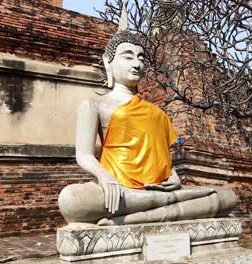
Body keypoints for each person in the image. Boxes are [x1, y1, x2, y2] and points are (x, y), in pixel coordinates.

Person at [58, 4, 236, 226]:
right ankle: (157, 209)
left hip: (157, 190)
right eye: (128, 56)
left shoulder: (157, 113)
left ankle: (134, 218)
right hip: (119, 189)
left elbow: (162, 159)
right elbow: (84, 155)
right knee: (72, 201)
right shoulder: (95, 105)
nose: (137, 64)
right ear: (108, 62)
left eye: (141, 58)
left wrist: (173, 176)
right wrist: (105, 178)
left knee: (227, 197)